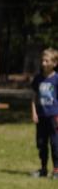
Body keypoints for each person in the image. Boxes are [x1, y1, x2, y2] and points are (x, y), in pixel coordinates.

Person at [32, 48, 58, 179]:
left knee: (55, 143)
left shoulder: (56, 79)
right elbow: (34, 96)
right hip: (41, 116)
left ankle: (56, 170)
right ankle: (43, 169)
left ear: (54, 63)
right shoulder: (38, 78)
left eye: (46, 61)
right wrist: (34, 112)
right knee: (41, 143)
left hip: (53, 116)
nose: (43, 63)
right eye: (42, 60)